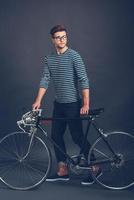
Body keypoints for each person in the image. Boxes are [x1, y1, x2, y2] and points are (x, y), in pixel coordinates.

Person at [32, 25, 101, 185]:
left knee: (77, 136)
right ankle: (62, 170)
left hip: (73, 104)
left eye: (64, 37)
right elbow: (45, 79)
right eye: (58, 37)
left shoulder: (74, 56)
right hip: (59, 105)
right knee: (56, 136)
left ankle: (96, 166)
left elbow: (84, 79)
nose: (62, 40)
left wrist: (86, 103)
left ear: (66, 38)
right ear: (52, 39)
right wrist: (38, 100)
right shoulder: (49, 58)